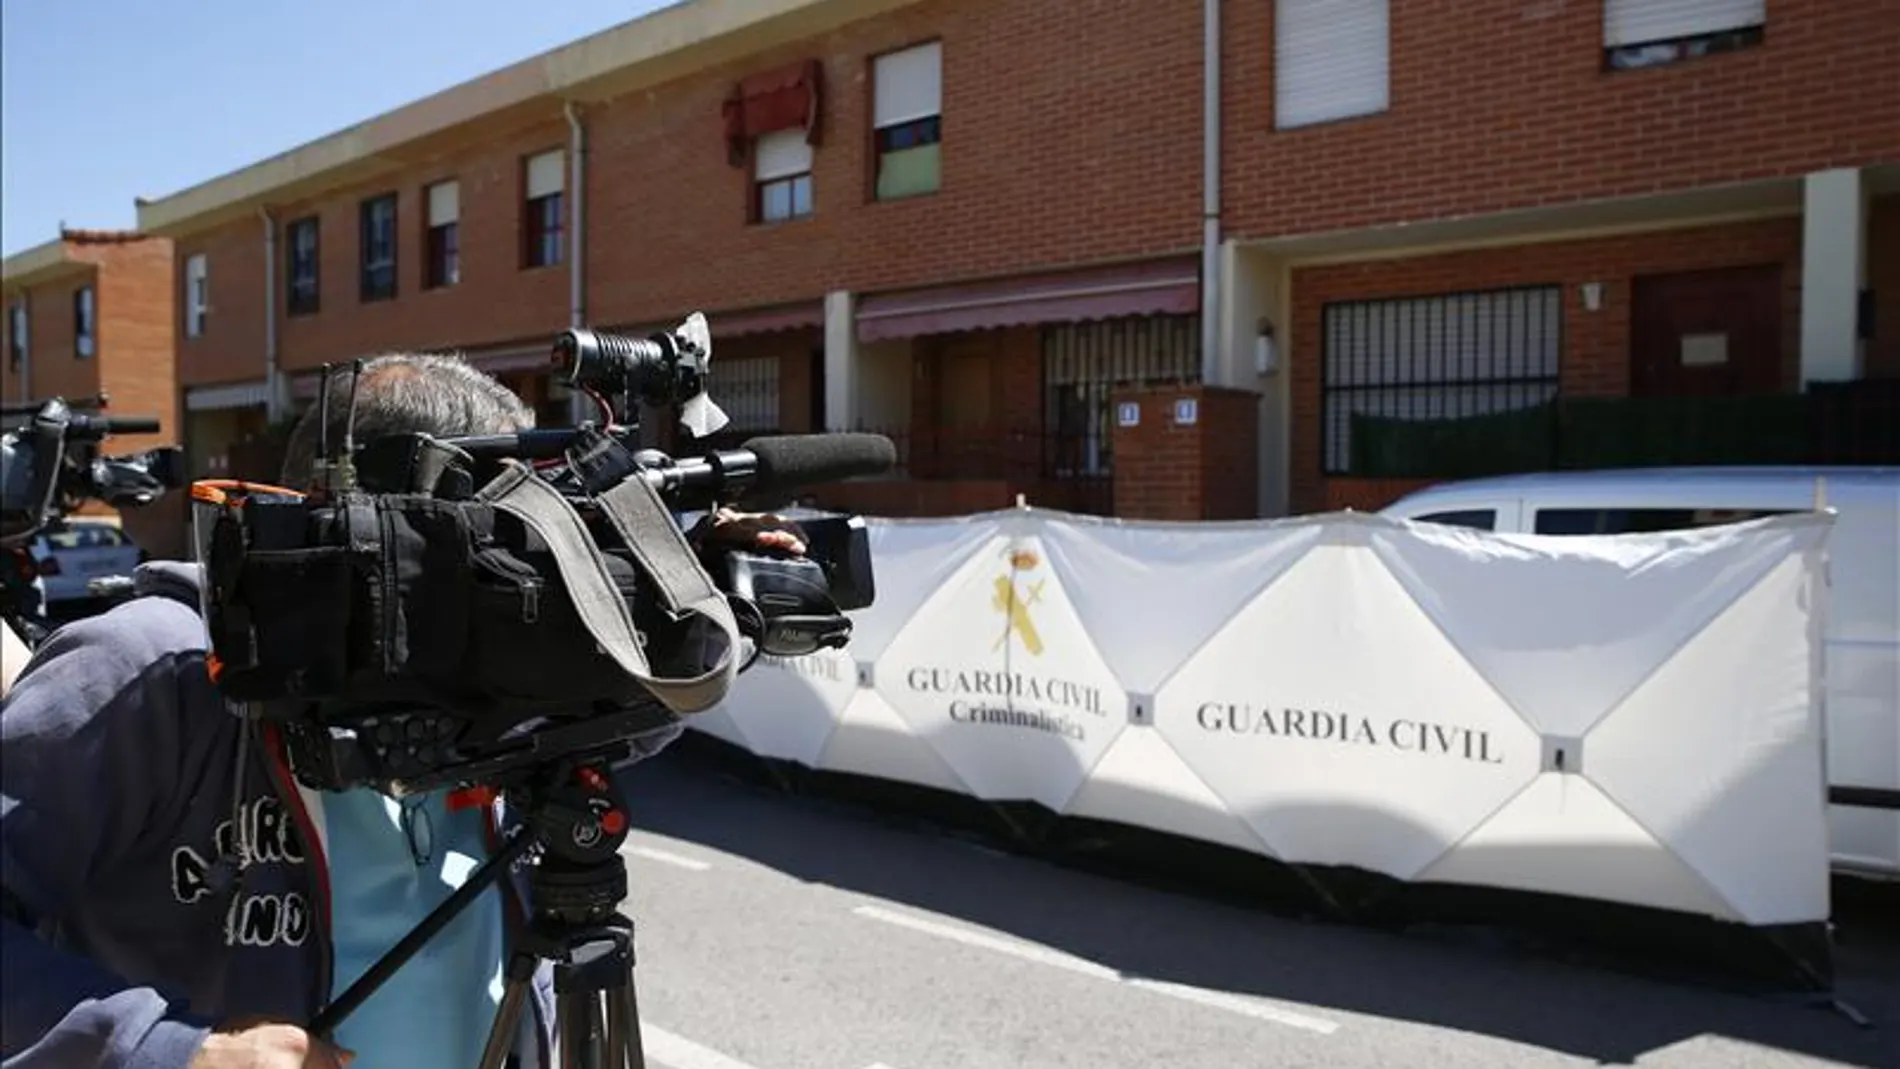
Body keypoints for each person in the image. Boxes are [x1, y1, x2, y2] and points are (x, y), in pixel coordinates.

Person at [0, 353, 803, 1069]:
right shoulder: (147, 664)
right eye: (480, 545)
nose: (511, 582)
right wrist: (170, 1053)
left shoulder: (478, 645)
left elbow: (623, 721)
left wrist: (706, 611)